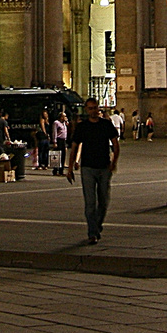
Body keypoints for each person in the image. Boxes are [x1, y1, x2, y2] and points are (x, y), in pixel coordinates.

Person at [64, 98, 121, 244]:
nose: (93, 111)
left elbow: (115, 144)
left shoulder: (106, 124)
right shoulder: (82, 127)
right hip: (87, 168)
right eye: (90, 108)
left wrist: (113, 162)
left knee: (103, 202)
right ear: (86, 110)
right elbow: (74, 147)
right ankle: (92, 232)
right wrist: (70, 168)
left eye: (95, 108)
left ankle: (97, 225)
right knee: (90, 203)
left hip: (104, 167)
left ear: (98, 108)